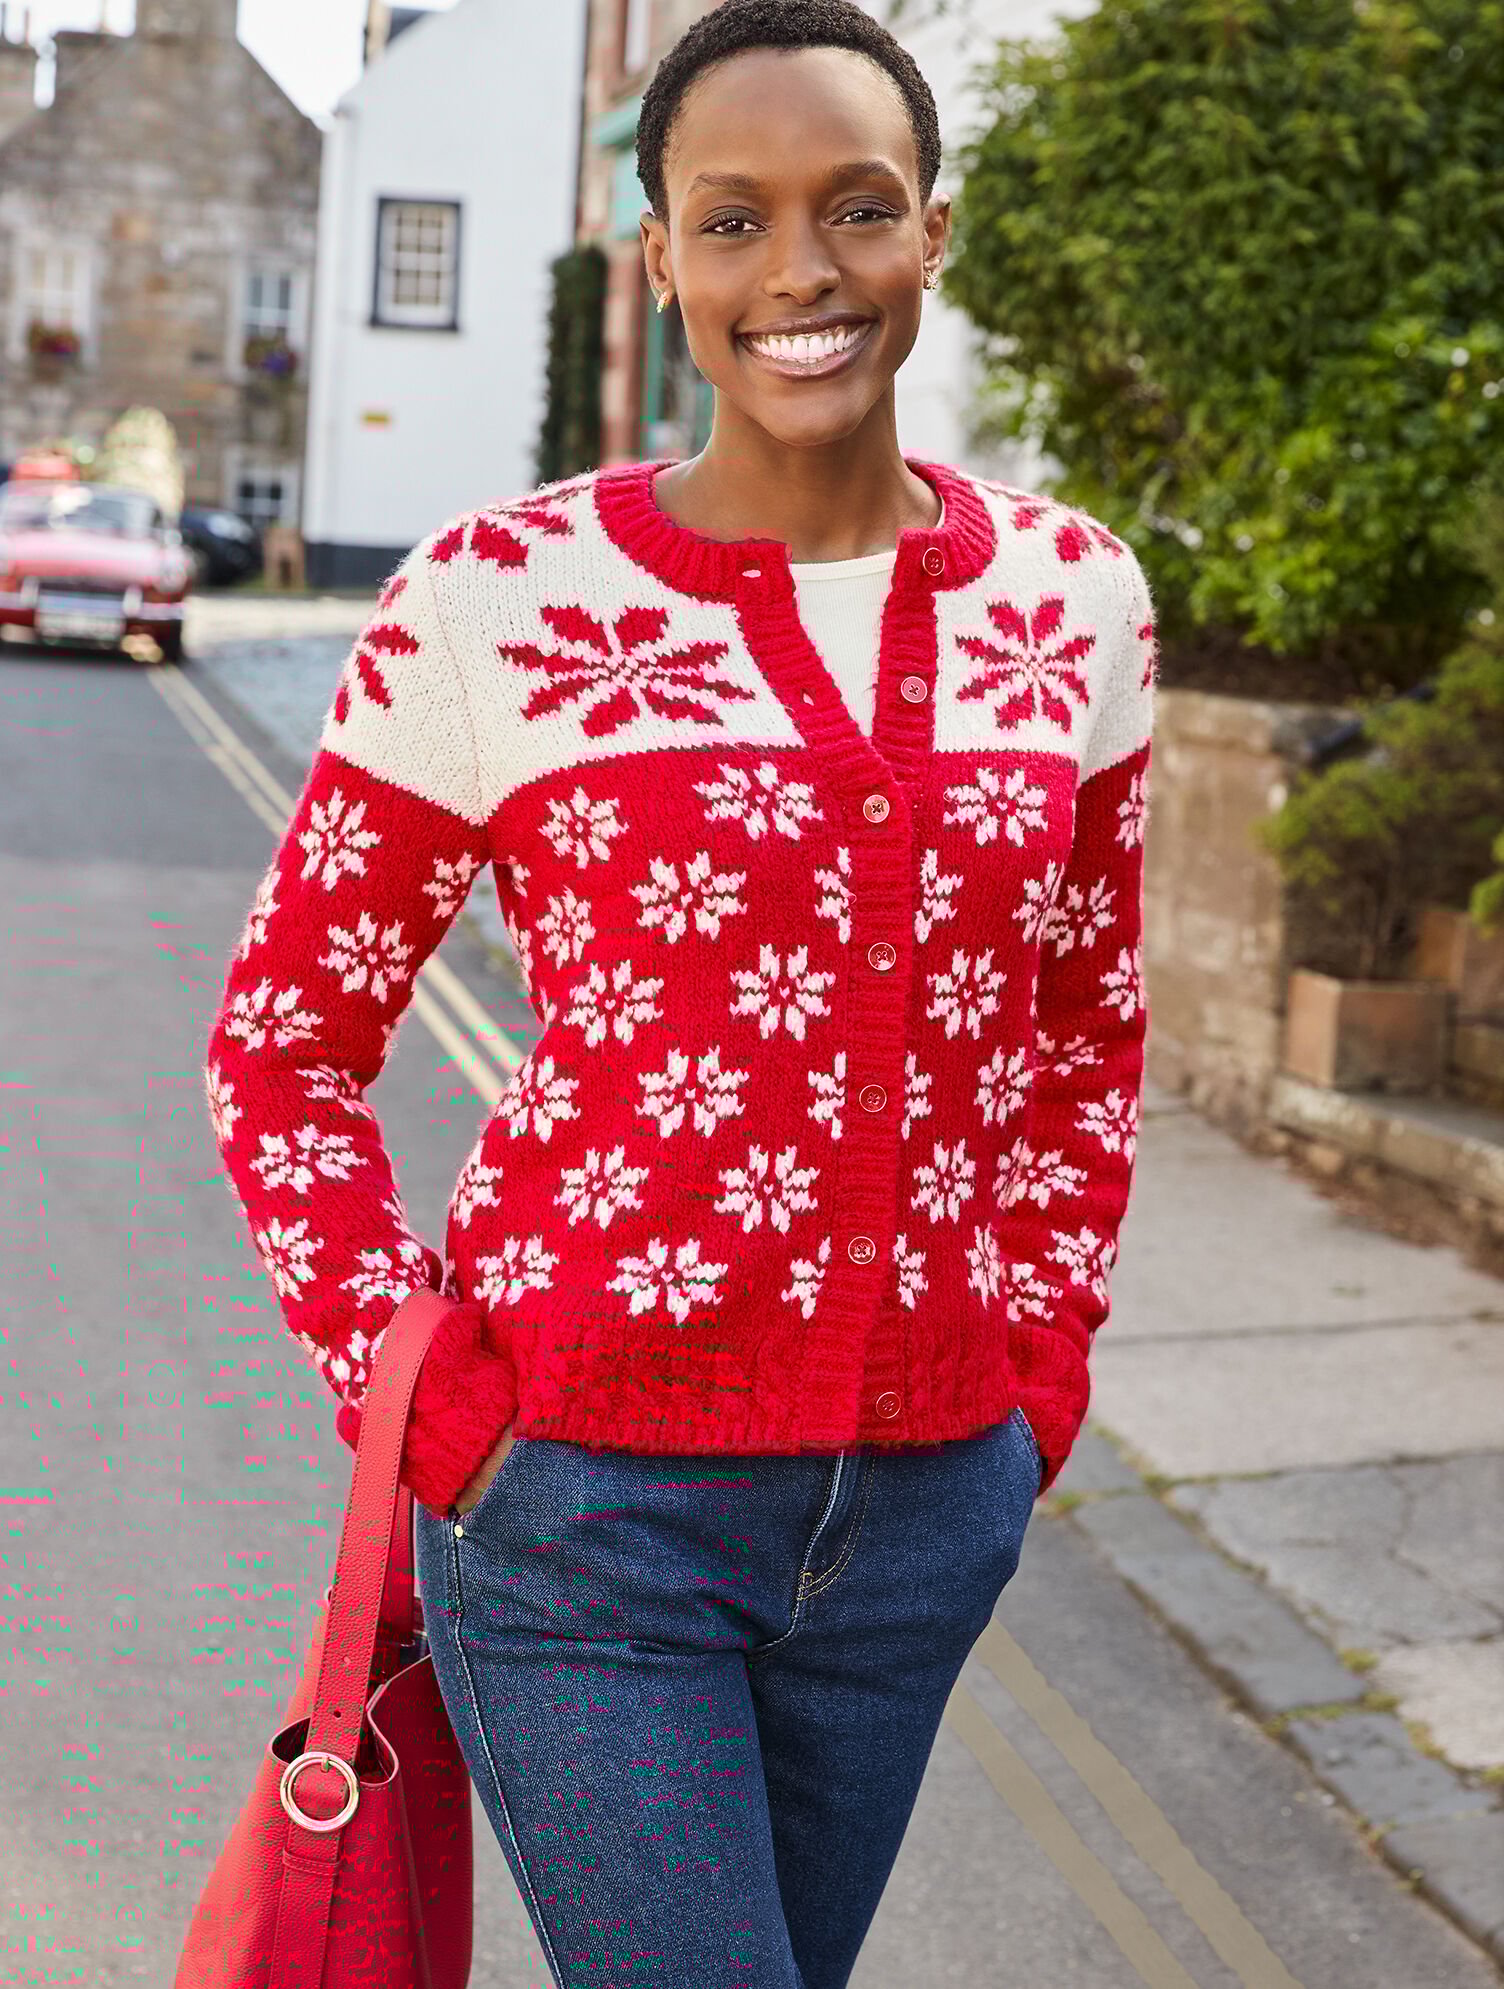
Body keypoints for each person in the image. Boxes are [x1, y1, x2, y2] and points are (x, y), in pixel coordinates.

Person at [202, 1, 1156, 1981]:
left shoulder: (1074, 602)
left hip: (918, 1523)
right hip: (580, 1510)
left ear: (931, 235)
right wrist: (420, 1390)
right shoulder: (497, 605)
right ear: (659, 258)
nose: (798, 273)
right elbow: (285, 1043)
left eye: (856, 209)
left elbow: (1082, 1027)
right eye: (731, 220)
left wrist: (1033, 1369)